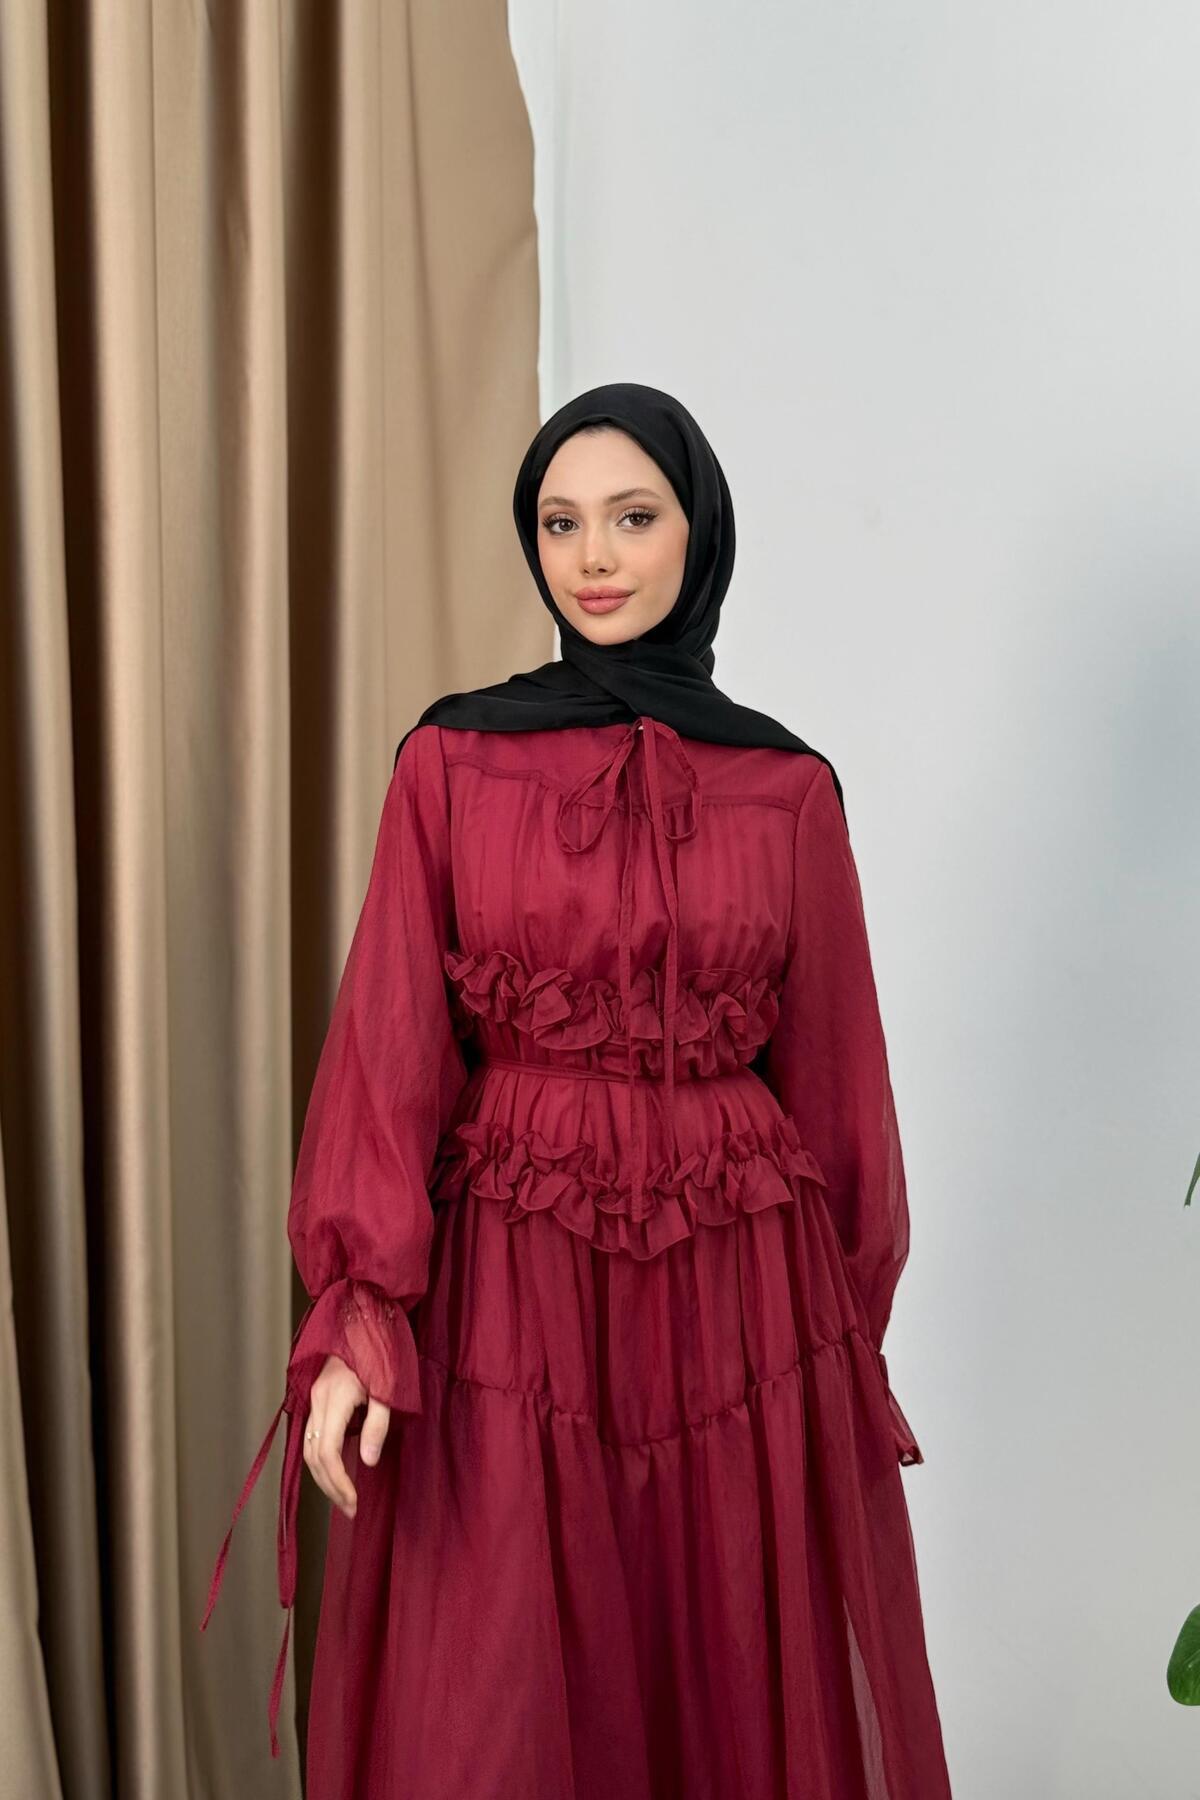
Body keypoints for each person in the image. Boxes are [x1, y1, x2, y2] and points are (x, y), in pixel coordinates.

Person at [201, 382, 953, 1798]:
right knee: (499, 1696)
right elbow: (387, 1053)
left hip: (739, 1305)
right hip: (512, 1294)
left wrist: (836, 1349)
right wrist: (359, 1313)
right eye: (560, 523)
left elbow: (842, 1086)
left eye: (632, 517)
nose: (594, 556)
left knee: (720, 1674)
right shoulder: (450, 761)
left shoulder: (787, 789)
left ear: (697, 534)